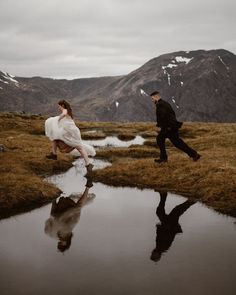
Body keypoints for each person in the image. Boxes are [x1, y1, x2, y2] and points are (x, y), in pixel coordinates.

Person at [44, 178, 94, 252]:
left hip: (58, 212)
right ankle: (88, 187)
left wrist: (51, 221)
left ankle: (53, 193)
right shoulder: (68, 230)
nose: (61, 241)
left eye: (59, 243)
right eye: (63, 243)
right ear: (67, 242)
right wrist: (74, 211)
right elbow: (72, 218)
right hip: (68, 211)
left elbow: (49, 223)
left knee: (53, 214)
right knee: (78, 207)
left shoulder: (54, 235)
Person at [45, 100, 95, 173]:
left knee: (79, 147)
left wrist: (57, 119)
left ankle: (54, 154)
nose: (58, 107)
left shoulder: (65, 110)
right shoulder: (68, 111)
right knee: (78, 147)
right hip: (72, 131)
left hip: (70, 132)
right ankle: (88, 164)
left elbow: (64, 114)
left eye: (59, 106)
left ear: (62, 105)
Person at [150, 91, 201, 163]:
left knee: (160, 139)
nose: (152, 100)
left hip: (168, 128)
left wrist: (164, 127)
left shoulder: (160, 105)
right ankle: (194, 155)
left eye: (152, 99)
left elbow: (163, 117)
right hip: (172, 127)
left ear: (156, 97)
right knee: (177, 143)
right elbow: (172, 114)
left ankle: (163, 158)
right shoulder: (165, 103)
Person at [150, 191, 195, 262]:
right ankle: (191, 201)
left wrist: (159, 227)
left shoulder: (159, 247)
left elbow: (159, 235)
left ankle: (163, 195)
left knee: (160, 212)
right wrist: (162, 227)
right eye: (154, 255)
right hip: (171, 226)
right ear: (158, 255)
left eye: (152, 254)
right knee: (176, 211)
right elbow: (169, 235)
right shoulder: (163, 247)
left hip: (166, 225)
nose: (152, 253)